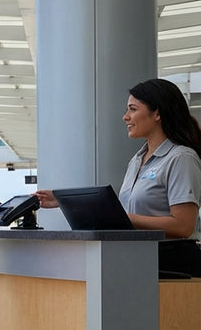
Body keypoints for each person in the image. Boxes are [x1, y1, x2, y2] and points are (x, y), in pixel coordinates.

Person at [36, 78, 201, 275]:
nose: (125, 117)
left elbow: (183, 226)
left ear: (157, 113)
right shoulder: (136, 160)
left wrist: (123, 219)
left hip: (170, 265)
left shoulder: (181, 158)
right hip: (135, 259)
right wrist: (66, 201)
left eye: (132, 109)